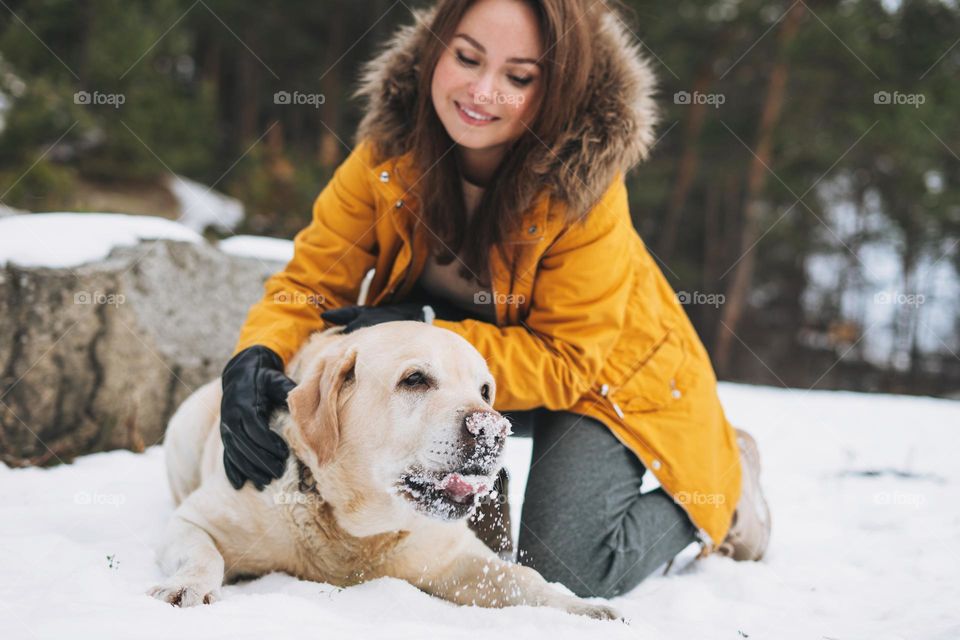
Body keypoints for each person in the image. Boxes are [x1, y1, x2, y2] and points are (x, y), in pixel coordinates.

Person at [219, 0, 771, 598]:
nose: (483, 91)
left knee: (568, 568)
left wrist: (424, 323)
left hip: (610, 381)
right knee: (480, 558)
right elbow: (309, 285)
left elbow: (567, 363)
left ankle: (728, 482)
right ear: (435, 50)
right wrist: (256, 358)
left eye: (518, 76)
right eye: (467, 57)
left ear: (554, 88)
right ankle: (480, 488)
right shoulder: (386, 156)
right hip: (469, 382)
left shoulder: (584, 190)